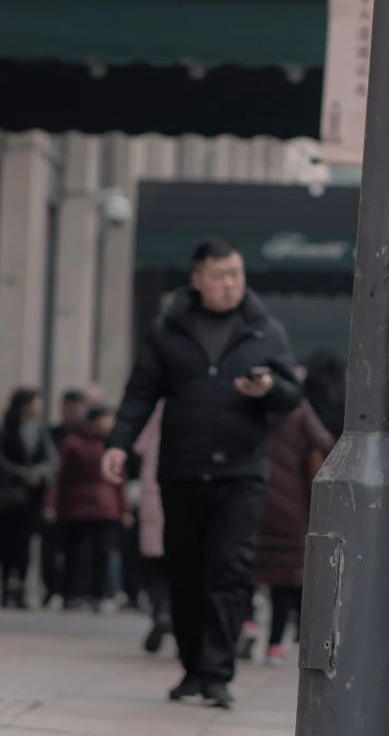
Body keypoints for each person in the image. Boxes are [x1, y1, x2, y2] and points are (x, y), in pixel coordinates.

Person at [103, 239, 300, 708]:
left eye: (236, 273)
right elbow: (139, 394)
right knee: (185, 574)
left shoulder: (264, 330)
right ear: (198, 280)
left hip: (241, 474)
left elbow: (292, 396)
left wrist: (269, 386)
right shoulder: (168, 330)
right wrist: (117, 444)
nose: (231, 283)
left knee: (229, 573)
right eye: (220, 275)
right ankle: (192, 669)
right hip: (183, 471)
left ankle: (217, 674)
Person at [251, 397, 333, 662]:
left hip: (251, 497)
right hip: (290, 505)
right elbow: (326, 443)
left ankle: (246, 624)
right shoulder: (297, 410)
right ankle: (274, 645)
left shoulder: (249, 405)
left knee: (244, 568)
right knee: (284, 579)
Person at [0, 388, 55, 608]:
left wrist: (38, 474)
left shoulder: (40, 431)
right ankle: (5, 588)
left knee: (25, 544)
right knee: (4, 543)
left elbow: (52, 460)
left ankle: (20, 588)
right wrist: (19, 473)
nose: (39, 408)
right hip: (6, 496)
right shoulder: (3, 429)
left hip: (30, 499)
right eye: (36, 403)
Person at [54, 405, 121, 608]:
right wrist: (51, 504)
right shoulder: (73, 443)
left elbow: (120, 479)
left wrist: (123, 509)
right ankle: (73, 594)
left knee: (102, 554)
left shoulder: (113, 445)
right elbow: (61, 476)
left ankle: (98, 595)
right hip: (78, 507)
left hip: (105, 507)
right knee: (76, 553)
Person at [41, 389, 87, 605]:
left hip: (78, 504)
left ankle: (70, 592)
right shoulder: (53, 433)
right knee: (49, 549)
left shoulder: (88, 435)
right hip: (55, 499)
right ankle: (51, 589)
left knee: (74, 551)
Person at [133, 408, 173, 652]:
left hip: (151, 501)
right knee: (180, 569)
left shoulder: (155, 411)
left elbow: (138, 446)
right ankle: (173, 617)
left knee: (154, 566)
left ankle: (161, 611)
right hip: (180, 500)